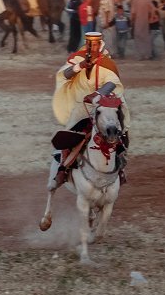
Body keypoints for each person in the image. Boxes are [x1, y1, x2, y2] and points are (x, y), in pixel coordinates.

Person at [49, 32, 128, 190]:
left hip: (102, 105)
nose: (92, 47)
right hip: (82, 107)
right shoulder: (78, 58)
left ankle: (120, 168)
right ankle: (62, 169)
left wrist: (98, 94)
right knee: (70, 134)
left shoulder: (107, 62)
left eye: (95, 44)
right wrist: (80, 66)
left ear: (100, 44)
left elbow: (112, 82)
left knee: (120, 130)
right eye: (90, 43)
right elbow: (65, 74)